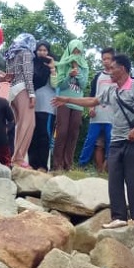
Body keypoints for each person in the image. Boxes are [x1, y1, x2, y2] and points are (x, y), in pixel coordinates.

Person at [56, 53, 134, 228]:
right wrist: (68, 99)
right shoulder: (111, 90)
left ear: (123, 69)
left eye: (112, 68)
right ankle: (118, 217)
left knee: (132, 177)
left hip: (132, 140)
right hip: (116, 139)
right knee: (114, 178)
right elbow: (93, 101)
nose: (109, 72)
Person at [52, 38, 89, 172]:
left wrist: (77, 72)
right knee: (61, 132)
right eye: (74, 52)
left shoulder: (84, 66)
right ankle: (57, 164)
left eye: (78, 52)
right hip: (63, 102)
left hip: (78, 104)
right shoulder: (62, 65)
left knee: (73, 133)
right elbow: (59, 85)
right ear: (69, 51)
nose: (76, 55)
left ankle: (68, 164)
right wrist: (68, 75)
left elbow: (84, 85)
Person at [77, 47, 114, 172]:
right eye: (104, 59)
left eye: (109, 59)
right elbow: (93, 94)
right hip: (97, 115)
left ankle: (110, 168)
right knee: (90, 141)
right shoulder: (98, 76)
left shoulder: (117, 76)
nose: (106, 61)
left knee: (111, 142)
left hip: (112, 117)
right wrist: (90, 108)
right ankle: (82, 165)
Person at [3, 32, 36, 169]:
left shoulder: (11, 53)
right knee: (28, 124)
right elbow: (28, 74)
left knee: (17, 124)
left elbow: (9, 75)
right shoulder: (26, 53)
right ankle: (18, 157)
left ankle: (14, 156)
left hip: (12, 90)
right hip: (23, 89)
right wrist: (32, 94)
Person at [30, 41, 57, 171]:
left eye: (45, 50)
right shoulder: (31, 64)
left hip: (47, 107)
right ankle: (31, 163)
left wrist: (52, 68)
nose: (42, 52)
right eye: (39, 50)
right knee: (32, 135)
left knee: (44, 136)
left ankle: (42, 165)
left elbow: (55, 85)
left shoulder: (52, 65)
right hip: (32, 105)